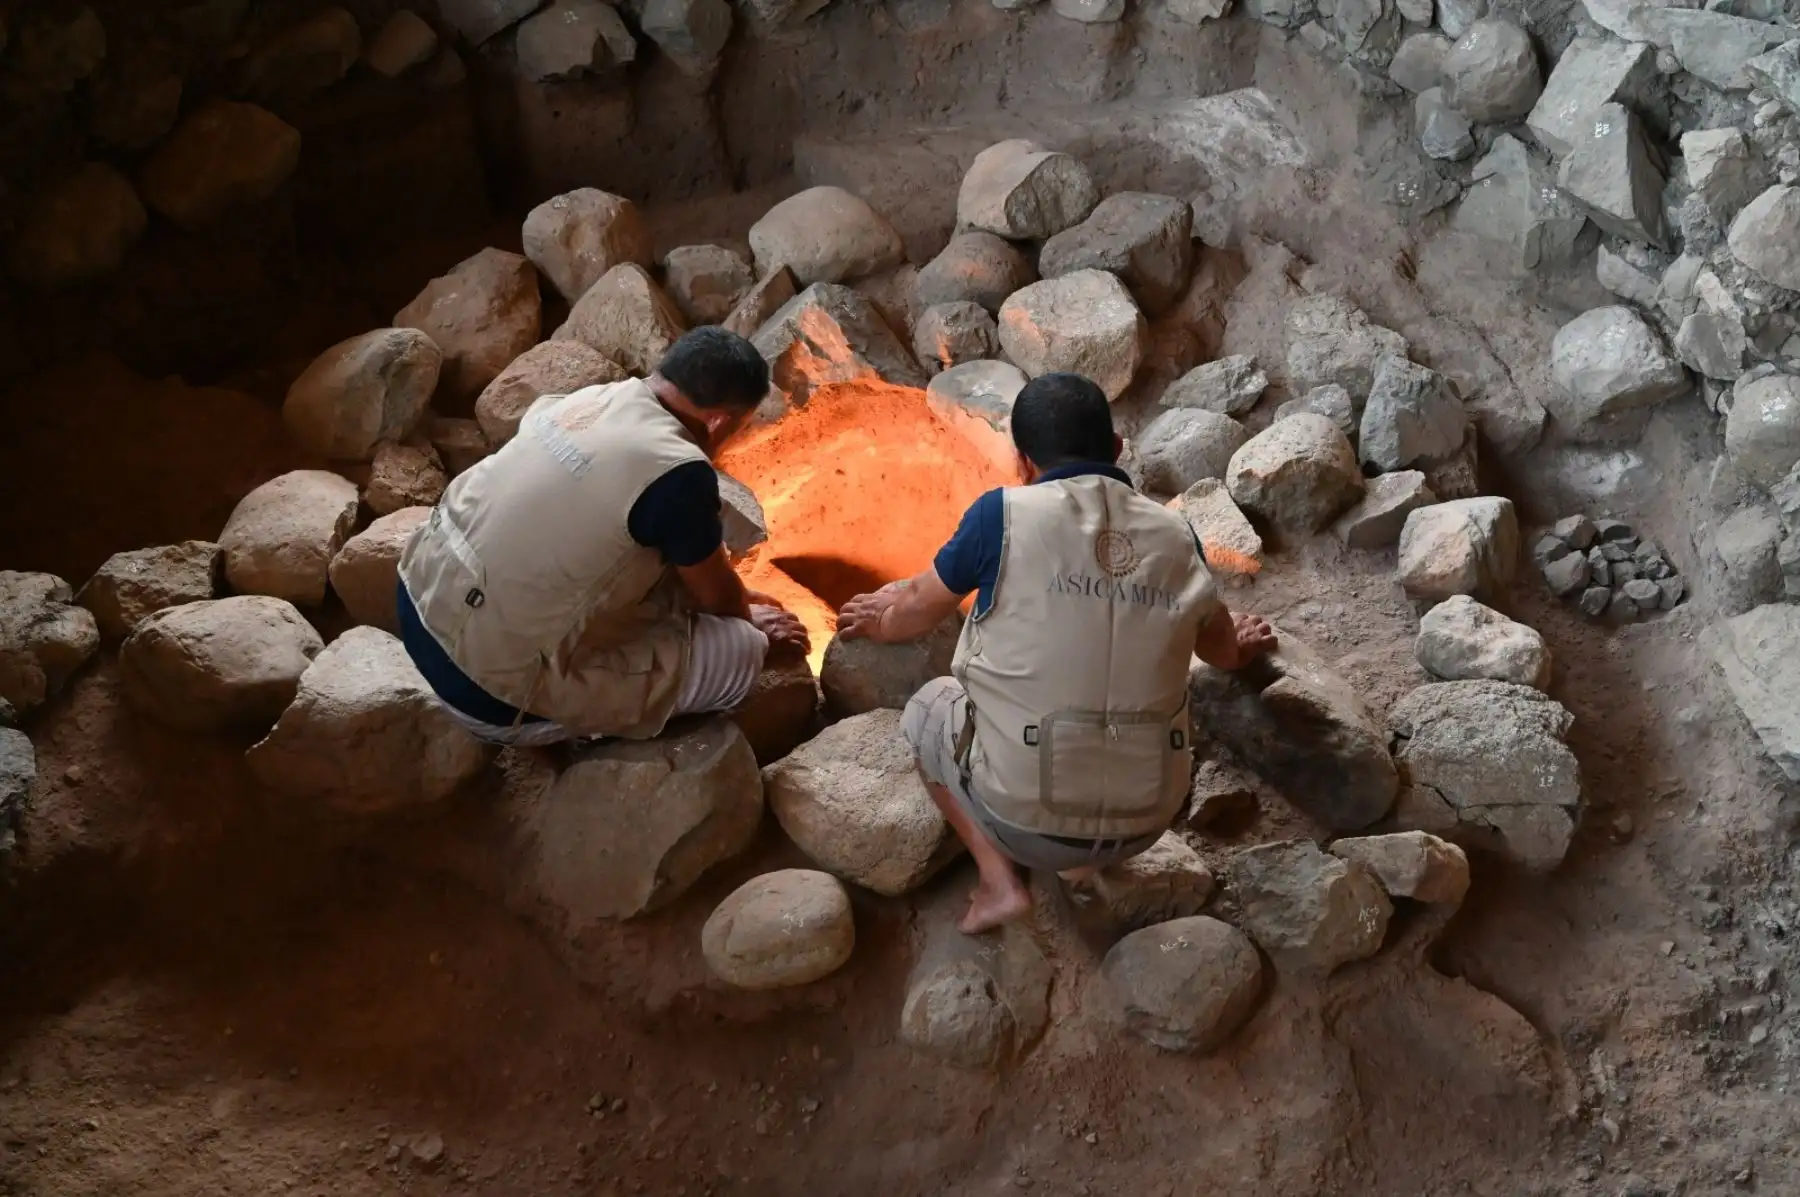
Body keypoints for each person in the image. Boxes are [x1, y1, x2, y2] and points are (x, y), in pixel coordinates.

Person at [836, 372, 1277, 934]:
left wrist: (879, 621)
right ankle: (1079, 867)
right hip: (1147, 820)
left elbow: (919, 606)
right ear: (1117, 449)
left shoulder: (1002, 515)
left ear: (1022, 462)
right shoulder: (1176, 535)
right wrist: (1243, 644)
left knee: (930, 706)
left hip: (1022, 819)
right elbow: (1222, 651)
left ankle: (998, 881)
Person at [395, 327, 808, 746]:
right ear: (719, 420)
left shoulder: (589, 399)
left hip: (419, 603)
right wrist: (749, 617)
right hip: (485, 694)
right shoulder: (680, 475)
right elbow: (720, 602)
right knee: (741, 649)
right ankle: (593, 733)